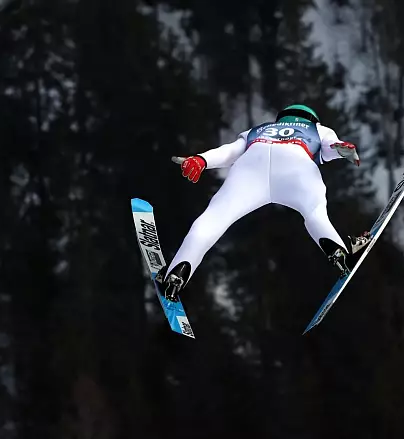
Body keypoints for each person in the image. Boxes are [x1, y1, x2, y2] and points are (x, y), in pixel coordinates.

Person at [155, 104, 371, 300]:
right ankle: (339, 253)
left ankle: (177, 274)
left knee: (214, 219)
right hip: (296, 165)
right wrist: (342, 149)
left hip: (251, 167)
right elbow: (331, 147)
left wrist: (201, 160)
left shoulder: (259, 129)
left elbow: (230, 152)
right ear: (313, 119)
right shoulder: (318, 129)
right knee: (314, 213)